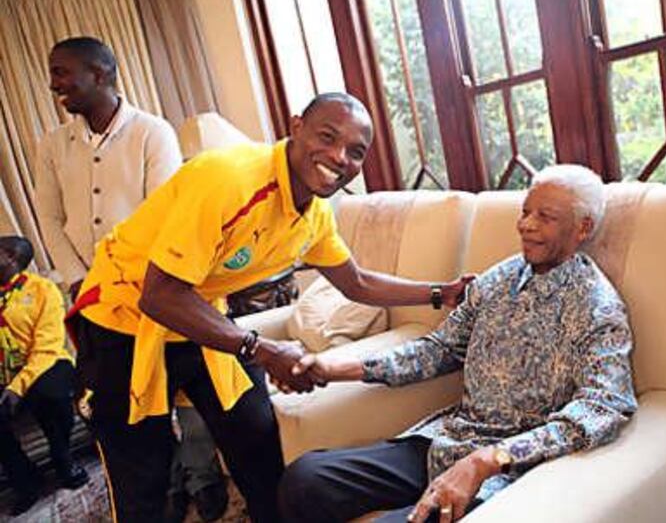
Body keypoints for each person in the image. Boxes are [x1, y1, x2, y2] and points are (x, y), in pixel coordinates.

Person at [65, 92, 472, 522]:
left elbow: (356, 281)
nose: (338, 157)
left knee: (256, 439)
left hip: (196, 313)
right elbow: (160, 293)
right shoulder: (228, 178)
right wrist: (262, 348)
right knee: (143, 476)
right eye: (327, 136)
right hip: (123, 317)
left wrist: (437, 293)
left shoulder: (313, 215)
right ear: (296, 127)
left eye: (355, 151)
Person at [277, 165, 639, 523]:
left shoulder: (597, 308)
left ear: (583, 228)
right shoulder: (499, 277)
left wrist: (489, 459)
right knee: (305, 479)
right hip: (446, 440)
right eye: (525, 212)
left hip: (508, 471)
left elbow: (603, 406)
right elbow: (440, 349)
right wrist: (334, 369)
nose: (526, 225)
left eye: (545, 217)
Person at [34, 36, 227, 522]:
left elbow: (165, 216)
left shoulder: (152, 132)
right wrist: (79, 279)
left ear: (99, 74)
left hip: (154, 289)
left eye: (62, 72)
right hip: (94, 301)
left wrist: (140, 284)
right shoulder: (53, 145)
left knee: (182, 387)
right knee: (125, 404)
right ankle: (160, 487)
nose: (54, 83)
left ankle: (200, 477)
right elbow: (49, 218)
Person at [0, 236, 88, 516]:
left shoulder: (42, 289)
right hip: (4, 373)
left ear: (11, 257)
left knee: (51, 393)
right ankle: (25, 481)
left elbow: (47, 345)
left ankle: (63, 459)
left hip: (44, 364)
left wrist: (17, 387)